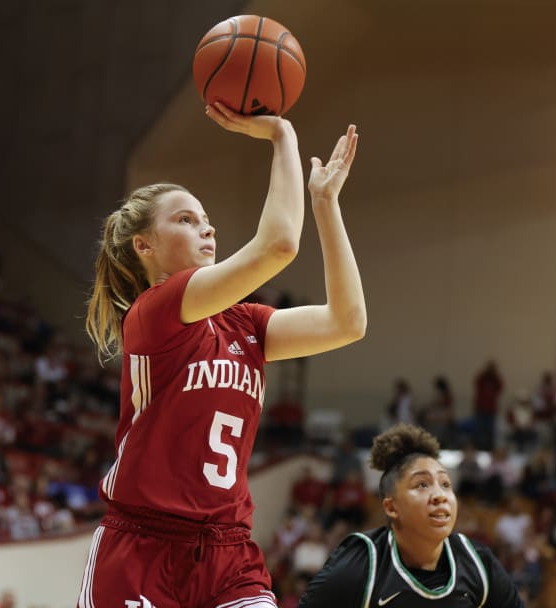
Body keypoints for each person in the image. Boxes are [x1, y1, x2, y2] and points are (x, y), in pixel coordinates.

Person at [77, 101, 365, 608]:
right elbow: (277, 245)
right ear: (144, 246)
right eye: (187, 220)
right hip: (144, 546)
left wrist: (326, 205)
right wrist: (282, 137)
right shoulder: (153, 313)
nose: (206, 228)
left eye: (206, 219)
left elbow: (347, 323)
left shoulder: (244, 322)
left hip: (227, 552)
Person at [299, 423, 522, 607]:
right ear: (391, 507)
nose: (440, 495)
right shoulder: (361, 564)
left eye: (445, 484)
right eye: (422, 484)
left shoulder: (477, 563)